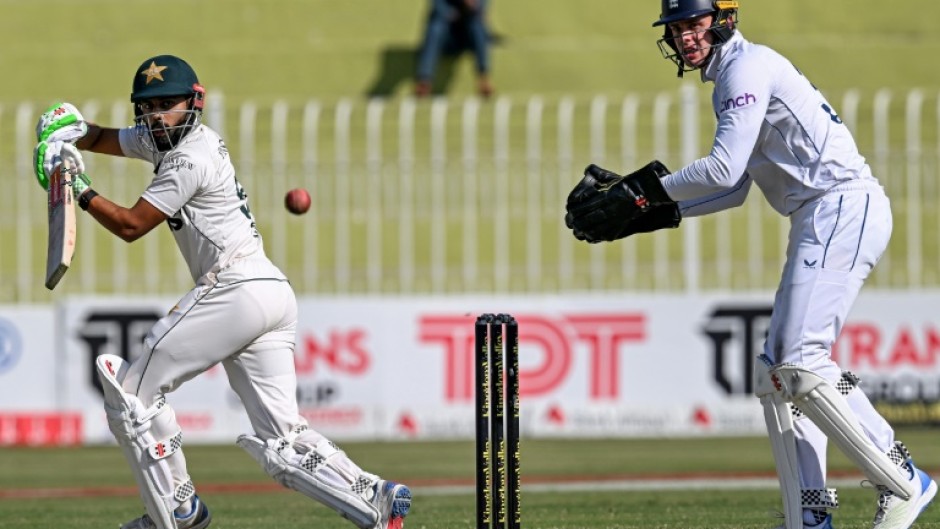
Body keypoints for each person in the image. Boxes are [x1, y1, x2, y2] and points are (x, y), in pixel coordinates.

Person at [564, 1, 936, 528]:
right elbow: (734, 187)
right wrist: (646, 212)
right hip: (822, 213)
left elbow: (721, 167)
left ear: (722, 19)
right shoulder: (733, 78)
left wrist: (638, 195)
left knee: (799, 361)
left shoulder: (746, 67)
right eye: (676, 29)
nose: (685, 37)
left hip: (840, 205)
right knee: (777, 374)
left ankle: (902, 482)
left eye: (693, 24)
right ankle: (808, 518)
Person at [32, 55, 412, 529]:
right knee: (283, 440)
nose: (156, 116)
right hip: (270, 291)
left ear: (195, 102)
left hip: (235, 288)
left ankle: (177, 510)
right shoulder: (166, 139)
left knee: (131, 396)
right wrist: (67, 129)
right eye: (147, 107)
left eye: (167, 105)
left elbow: (131, 226)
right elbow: (106, 138)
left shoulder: (190, 157)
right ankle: (374, 496)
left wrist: (77, 186)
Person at [414, 0, 493, 98]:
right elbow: (440, 11)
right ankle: (424, 80)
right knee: (435, 28)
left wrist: (470, 5)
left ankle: (483, 77)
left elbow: (480, 9)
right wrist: (454, 13)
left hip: (468, 36)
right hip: (448, 37)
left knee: (477, 26)